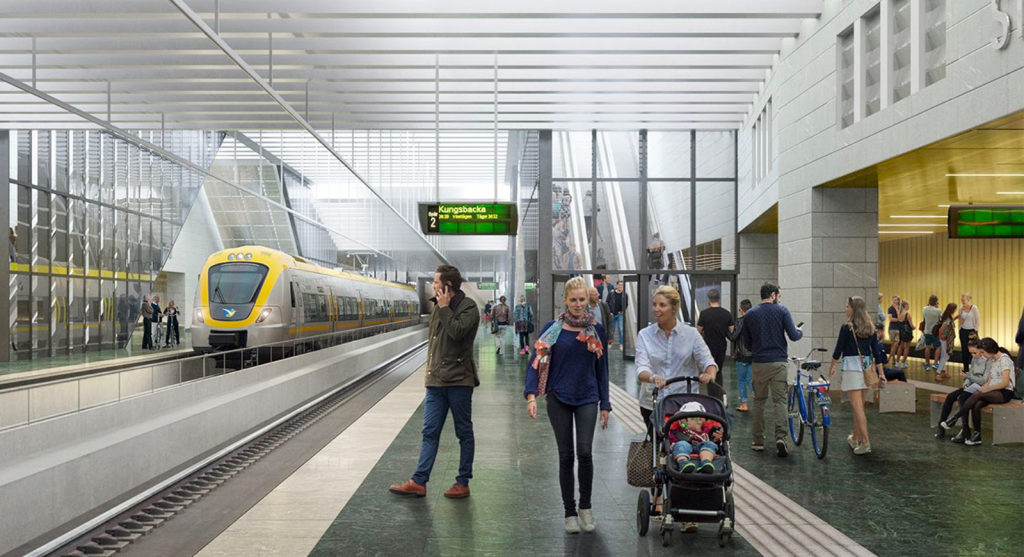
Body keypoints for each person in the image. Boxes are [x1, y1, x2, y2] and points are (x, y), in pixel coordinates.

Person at [525, 276, 611, 534]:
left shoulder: (596, 329)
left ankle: (585, 507)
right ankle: (569, 512)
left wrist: (605, 403)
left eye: (582, 299)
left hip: (587, 396)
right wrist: (531, 395)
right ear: (565, 300)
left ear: (588, 300)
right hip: (558, 397)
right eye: (573, 300)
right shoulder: (552, 328)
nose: (577, 304)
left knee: (584, 452)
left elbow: (602, 368)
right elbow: (536, 360)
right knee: (566, 455)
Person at [390, 265, 480, 499]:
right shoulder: (437, 307)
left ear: (447, 285)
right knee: (429, 431)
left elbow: (457, 331)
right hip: (436, 381)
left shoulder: (468, 307)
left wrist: (443, 308)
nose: (433, 284)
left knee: (463, 432)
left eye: (436, 281)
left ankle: (463, 481)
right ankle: (419, 481)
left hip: (460, 380)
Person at [634, 285, 717, 533]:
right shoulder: (645, 335)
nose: (656, 309)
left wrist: (708, 375)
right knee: (662, 452)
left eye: (662, 305)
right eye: (655, 304)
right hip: (654, 403)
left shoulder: (690, 334)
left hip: (686, 406)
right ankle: (660, 498)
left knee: (686, 450)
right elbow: (641, 368)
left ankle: (686, 506)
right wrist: (652, 378)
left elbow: (708, 361)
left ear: (674, 307)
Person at [739, 282, 802, 457]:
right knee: (779, 401)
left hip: (759, 363)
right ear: (773, 295)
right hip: (778, 363)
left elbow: (746, 341)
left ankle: (758, 441)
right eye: (778, 296)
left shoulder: (750, 314)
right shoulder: (782, 311)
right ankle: (780, 438)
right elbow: (794, 336)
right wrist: (800, 331)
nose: (778, 299)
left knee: (759, 401)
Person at [828, 296, 886, 455]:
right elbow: (877, 353)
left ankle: (866, 442)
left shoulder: (847, 327)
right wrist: (881, 374)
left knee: (857, 406)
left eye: (847, 306)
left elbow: (838, 350)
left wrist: (831, 367)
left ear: (854, 309)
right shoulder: (871, 327)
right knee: (859, 406)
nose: (845, 309)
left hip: (852, 369)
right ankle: (854, 438)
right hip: (867, 369)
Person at [940, 338, 1016, 446]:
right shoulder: (995, 360)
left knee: (977, 394)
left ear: (989, 350)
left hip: (1004, 392)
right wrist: (985, 387)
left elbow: (1005, 383)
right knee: (976, 404)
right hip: (994, 390)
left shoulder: (1005, 360)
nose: (983, 355)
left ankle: (954, 419)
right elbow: (990, 378)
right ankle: (977, 436)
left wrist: (988, 388)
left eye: (983, 352)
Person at [934, 338, 989, 441]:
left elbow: (982, 380)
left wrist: (968, 377)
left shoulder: (987, 360)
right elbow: (971, 374)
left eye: (975, 352)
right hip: (972, 385)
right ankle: (941, 426)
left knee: (962, 398)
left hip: (980, 387)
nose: (973, 355)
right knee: (950, 397)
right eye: (971, 353)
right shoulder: (974, 359)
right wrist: (966, 383)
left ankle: (965, 430)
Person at [667, 402, 724, 474]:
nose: (681, 421)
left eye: (685, 418)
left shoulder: (708, 432)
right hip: (683, 450)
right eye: (680, 418)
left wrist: (717, 439)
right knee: (681, 444)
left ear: (699, 420)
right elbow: (671, 442)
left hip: (704, 450)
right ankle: (683, 463)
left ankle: (706, 463)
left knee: (710, 444)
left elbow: (716, 446)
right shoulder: (677, 432)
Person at [696, 289, 734, 387]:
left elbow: (698, 331)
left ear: (708, 299)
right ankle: (719, 391)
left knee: (710, 369)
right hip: (721, 345)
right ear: (719, 299)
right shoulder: (726, 313)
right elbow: (732, 330)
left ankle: (711, 393)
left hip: (708, 346)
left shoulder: (704, 313)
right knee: (719, 370)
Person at [728, 299, 754, 412]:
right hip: (755, 355)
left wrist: (726, 331)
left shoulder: (740, 321)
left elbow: (733, 337)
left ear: (741, 310)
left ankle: (744, 404)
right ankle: (757, 398)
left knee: (742, 380)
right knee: (750, 379)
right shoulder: (756, 320)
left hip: (742, 355)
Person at [955, 294, 980, 375]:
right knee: (964, 350)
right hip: (963, 331)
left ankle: (975, 369)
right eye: (961, 300)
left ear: (969, 300)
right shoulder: (961, 309)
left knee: (974, 350)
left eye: (964, 300)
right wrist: (960, 329)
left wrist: (975, 330)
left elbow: (978, 321)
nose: (962, 302)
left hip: (972, 331)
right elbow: (960, 321)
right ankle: (966, 369)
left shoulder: (974, 308)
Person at [935, 303, 958, 381]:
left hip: (944, 339)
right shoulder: (948, 318)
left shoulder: (946, 316)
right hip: (944, 339)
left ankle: (943, 372)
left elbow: (949, 323)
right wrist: (940, 336)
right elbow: (941, 329)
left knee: (943, 355)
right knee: (946, 356)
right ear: (953, 310)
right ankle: (937, 373)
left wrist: (956, 318)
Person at [922, 295, 942, 374]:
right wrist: (937, 307)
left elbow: (924, 319)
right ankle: (935, 363)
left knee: (927, 347)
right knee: (938, 347)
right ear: (936, 302)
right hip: (935, 332)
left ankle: (927, 363)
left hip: (927, 331)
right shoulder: (938, 310)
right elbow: (940, 320)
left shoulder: (924, 309)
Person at [606, 281, 628, 349]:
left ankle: (621, 344)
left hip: (620, 314)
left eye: (622, 285)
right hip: (612, 314)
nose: (620, 286)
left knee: (621, 329)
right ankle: (610, 342)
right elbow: (607, 302)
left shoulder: (625, 294)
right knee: (611, 330)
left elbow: (626, 304)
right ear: (617, 285)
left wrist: (622, 311)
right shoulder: (611, 293)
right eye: (619, 285)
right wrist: (610, 312)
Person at [894, 301, 914, 368]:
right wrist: (914, 327)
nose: (909, 306)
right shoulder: (907, 314)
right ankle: (903, 363)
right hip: (907, 333)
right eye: (908, 305)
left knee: (900, 347)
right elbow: (911, 326)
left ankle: (897, 362)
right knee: (907, 348)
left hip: (901, 333)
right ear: (905, 306)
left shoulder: (899, 314)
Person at [887, 295, 901, 360]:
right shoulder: (890, 308)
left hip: (898, 328)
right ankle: (893, 359)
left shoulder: (900, 308)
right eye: (893, 300)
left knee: (896, 344)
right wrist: (898, 319)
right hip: (892, 328)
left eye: (895, 300)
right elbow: (891, 319)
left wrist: (897, 310)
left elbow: (901, 318)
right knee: (892, 344)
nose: (894, 301)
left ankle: (888, 358)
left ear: (898, 301)